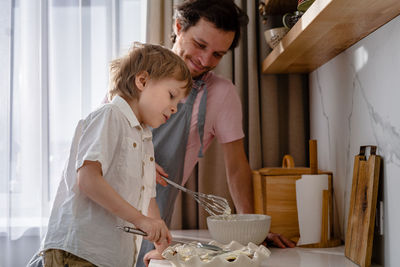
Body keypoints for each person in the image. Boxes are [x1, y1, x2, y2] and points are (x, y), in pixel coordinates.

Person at [138, 0, 295, 266]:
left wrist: (251, 230)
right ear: (179, 27)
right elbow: (102, 142)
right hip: (102, 211)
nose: (205, 61)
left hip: (153, 229)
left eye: (218, 54)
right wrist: (138, 163)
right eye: (200, 45)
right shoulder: (137, 72)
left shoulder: (221, 94)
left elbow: (236, 167)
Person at [28, 43, 192, 267]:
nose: (174, 108)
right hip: (79, 253)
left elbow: (148, 200)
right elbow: (88, 179)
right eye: (171, 95)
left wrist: (164, 249)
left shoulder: (144, 138)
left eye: (177, 103)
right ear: (142, 81)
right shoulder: (110, 116)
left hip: (109, 258)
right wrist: (140, 220)